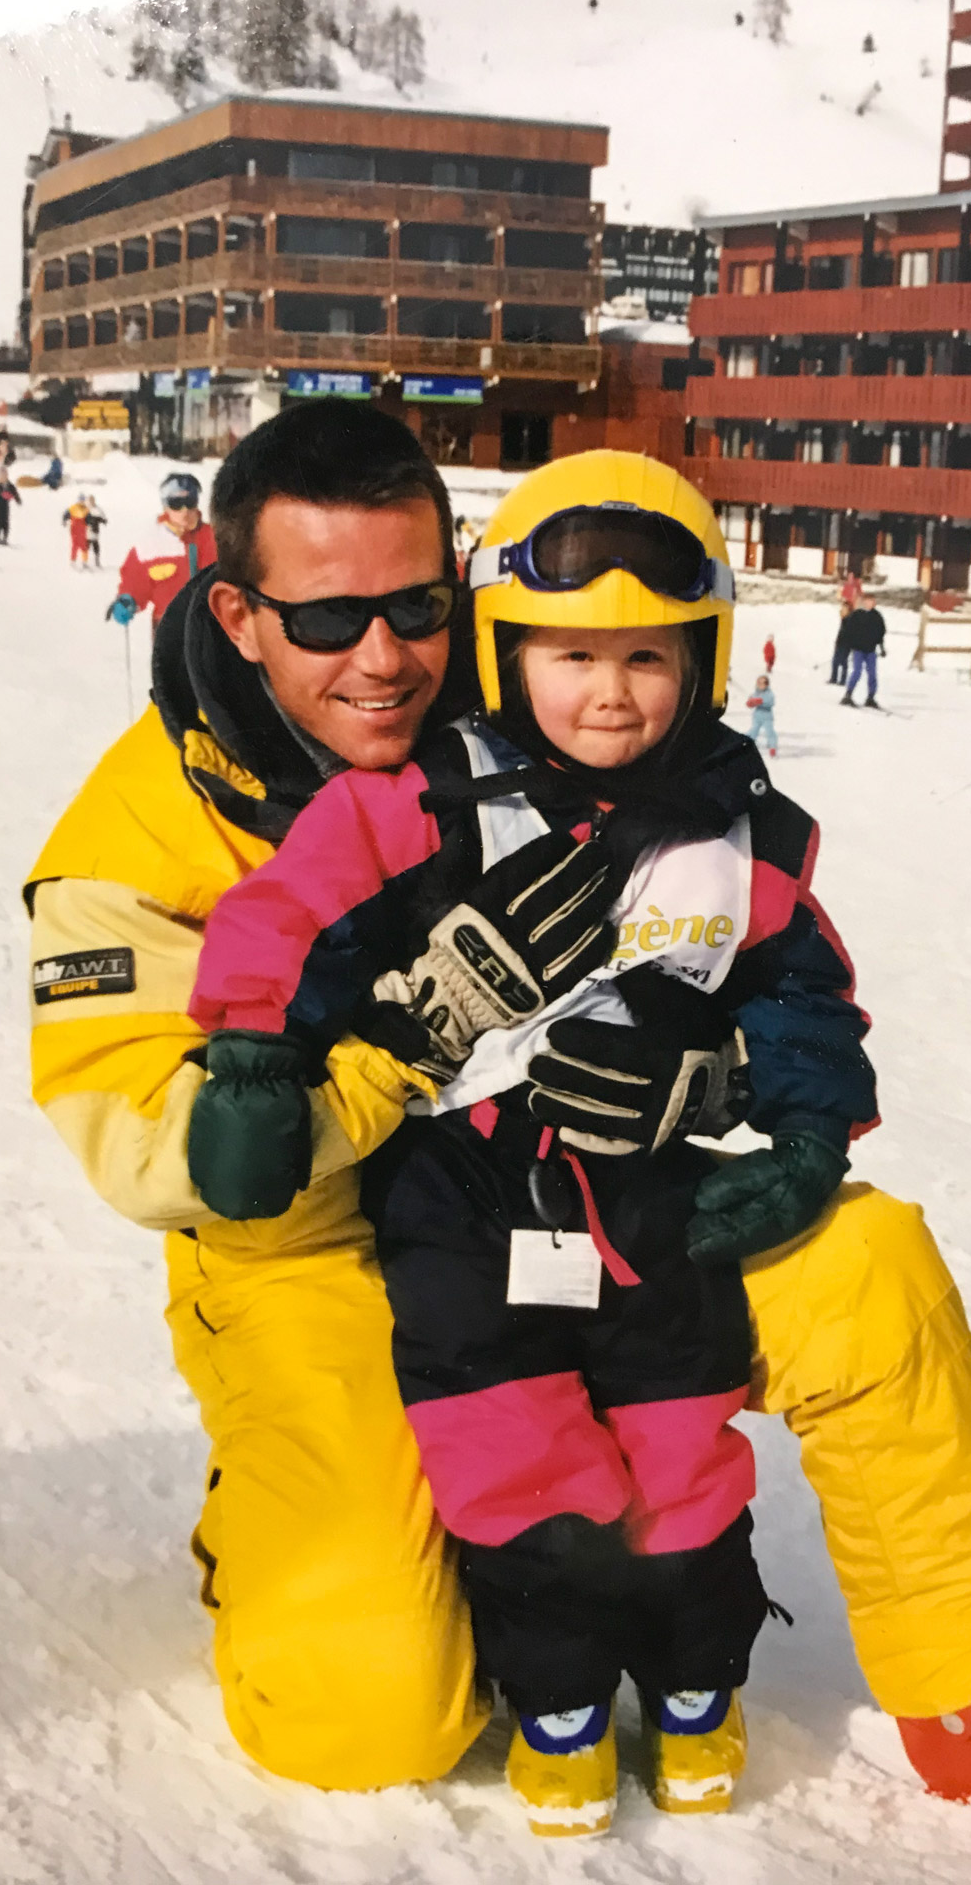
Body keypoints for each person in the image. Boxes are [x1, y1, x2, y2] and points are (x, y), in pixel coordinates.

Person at [25, 400, 971, 1817]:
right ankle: (324, 1526)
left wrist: (719, 1081)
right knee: (367, 1717)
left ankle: (969, 1682)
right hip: (318, 1256)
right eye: (332, 617)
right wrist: (412, 1039)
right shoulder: (143, 832)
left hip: (568, 1197)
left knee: (856, 1261)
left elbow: (730, 934)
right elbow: (175, 1156)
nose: (384, 656)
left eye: (415, 604)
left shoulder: (512, 705)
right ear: (236, 609)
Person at [185, 454, 873, 1836]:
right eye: (570, 653)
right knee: (518, 1460)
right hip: (463, 1194)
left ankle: (693, 1684)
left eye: (648, 656)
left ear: (707, 655)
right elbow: (282, 916)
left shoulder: (745, 834)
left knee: (683, 1454)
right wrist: (254, 1055)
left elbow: (808, 988)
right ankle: (556, 1696)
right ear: (508, 650)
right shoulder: (422, 797)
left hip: (650, 1196)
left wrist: (795, 1124)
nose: (609, 691)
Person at [105, 469, 217, 633]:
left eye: (190, 502)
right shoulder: (152, 545)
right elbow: (134, 581)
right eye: (176, 504)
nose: (184, 511)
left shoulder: (215, 538)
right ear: (166, 506)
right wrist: (128, 600)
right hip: (168, 627)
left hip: (210, 625)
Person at [840, 601, 887, 708]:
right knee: (857, 671)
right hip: (858, 649)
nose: (869, 604)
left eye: (871, 602)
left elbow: (881, 632)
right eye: (867, 602)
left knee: (872, 673)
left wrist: (882, 648)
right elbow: (848, 629)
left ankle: (871, 697)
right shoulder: (857, 615)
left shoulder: (877, 616)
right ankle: (848, 694)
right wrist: (849, 644)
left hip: (870, 650)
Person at [746, 672, 777, 755]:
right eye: (758, 683)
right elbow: (750, 702)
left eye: (762, 683)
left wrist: (761, 701)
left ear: (766, 684)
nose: (759, 685)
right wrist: (750, 702)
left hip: (767, 716)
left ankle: (772, 747)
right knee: (754, 730)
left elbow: (771, 702)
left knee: (770, 732)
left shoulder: (769, 693)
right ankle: (748, 744)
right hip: (757, 716)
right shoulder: (756, 693)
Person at [0, 471, 21, 545]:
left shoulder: (10, 485)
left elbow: (15, 493)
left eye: (5, 476)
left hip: (5, 506)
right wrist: (0, 494)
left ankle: (5, 538)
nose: (3, 477)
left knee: (5, 522)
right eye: (2, 476)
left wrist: (17, 499)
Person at [65, 496, 90, 568]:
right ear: (78, 501)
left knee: (84, 545)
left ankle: (84, 561)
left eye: (83, 500)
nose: (82, 502)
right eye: (81, 500)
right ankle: (73, 561)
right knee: (75, 545)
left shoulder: (86, 509)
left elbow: (88, 518)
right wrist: (65, 520)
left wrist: (89, 523)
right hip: (75, 528)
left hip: (82, 529)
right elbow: (66, 515)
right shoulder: (73, 507)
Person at [82, 497, 107, 567]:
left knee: (96, 548)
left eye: (92, 500)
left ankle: (97, 562)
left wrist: (103, 520)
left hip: (95, 532)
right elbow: (82, 518)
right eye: (90, 500)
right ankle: (84, 562)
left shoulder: (97, 508)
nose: (91, 502)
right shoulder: (86, 509)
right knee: (86, 547)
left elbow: (102, 517)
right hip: (88, 532)